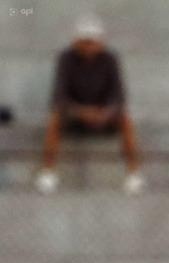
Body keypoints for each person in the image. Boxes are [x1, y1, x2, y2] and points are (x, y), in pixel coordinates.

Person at [36, 13, 144, 195]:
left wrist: (106, 113)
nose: (89, 47)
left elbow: (119, 95)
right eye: (85, 42)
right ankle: (48, 172)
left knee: (125, 119)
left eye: (93, 42)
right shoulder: (66, 59)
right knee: (54, 119)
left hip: (104, 116)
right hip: (75, 116)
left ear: (101, 42)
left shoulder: (110, 59)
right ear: (76, 42)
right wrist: (82, 112)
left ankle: (133, 174)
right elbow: (58, 97)